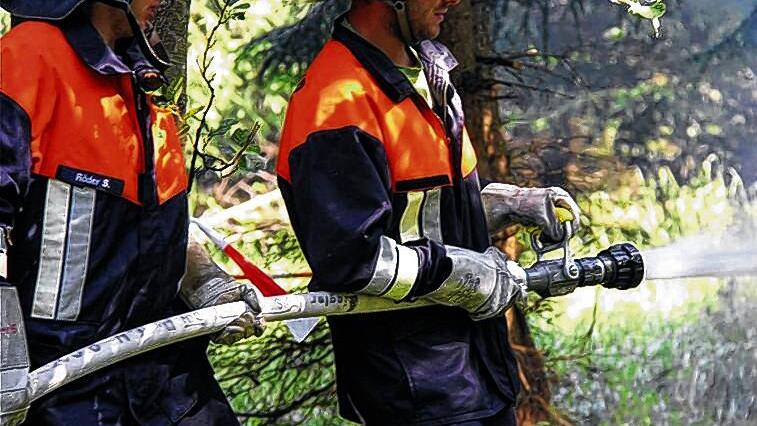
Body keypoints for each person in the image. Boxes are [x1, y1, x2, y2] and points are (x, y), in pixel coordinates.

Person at [276, 0, 581, 424]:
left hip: (477, 372)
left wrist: (506, 204)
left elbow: (423, 214)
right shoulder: (335, 103)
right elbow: (354, 260)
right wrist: (465, 275)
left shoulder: (426, 73)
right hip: (415, 388)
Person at [0, 1, 261, 424]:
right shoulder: (27, 59)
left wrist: (206, 282)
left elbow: (157, 229)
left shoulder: (141, 89)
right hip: (62, 383)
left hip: (166, 376)